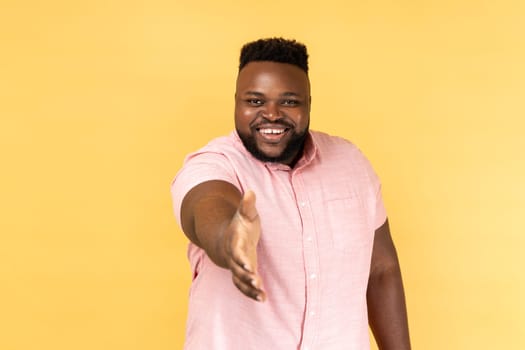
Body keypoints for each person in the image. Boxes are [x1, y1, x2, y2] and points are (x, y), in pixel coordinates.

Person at [171, 37, 411, 350]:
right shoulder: (213, 164)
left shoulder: (351, 163)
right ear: (236, 102)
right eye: (255, 101)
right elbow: (207, 206)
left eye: (288, 101)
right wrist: (231, 241)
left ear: (309, 102)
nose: (271, 114)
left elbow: (381, 269)